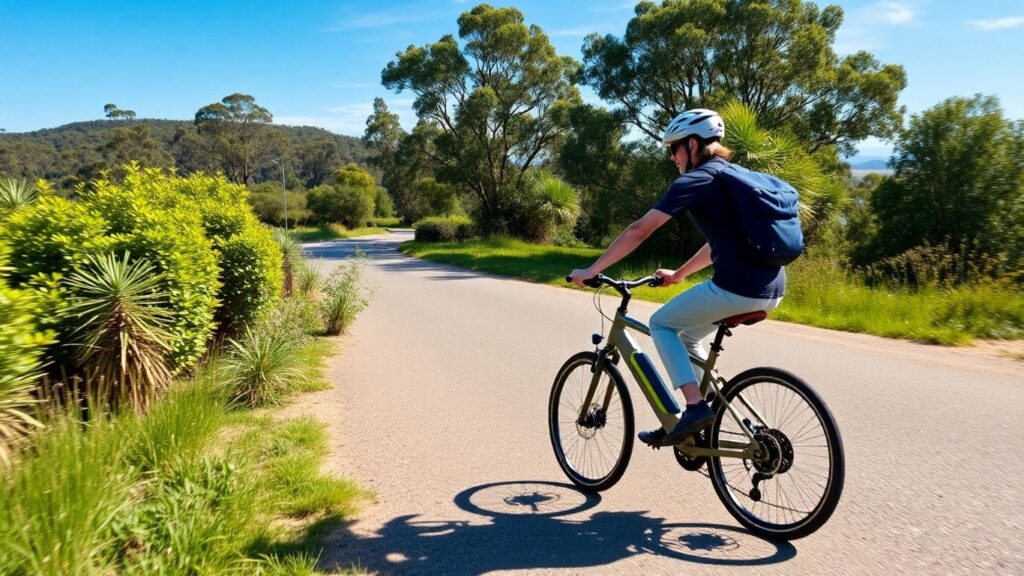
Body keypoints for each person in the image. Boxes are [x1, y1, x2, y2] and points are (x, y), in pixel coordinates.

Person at [569, 108, 785, 447]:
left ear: (693, 144)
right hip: (773, 288)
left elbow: (639, 230)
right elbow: (718, 243)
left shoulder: (697, 179)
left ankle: (695, 408)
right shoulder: (734, 176)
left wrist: (590, 271)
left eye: (674, 149)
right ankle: (713, 417)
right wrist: (679, 274)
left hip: (737, 289)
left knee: (661, 323)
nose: (672, 157)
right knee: (689, 338)